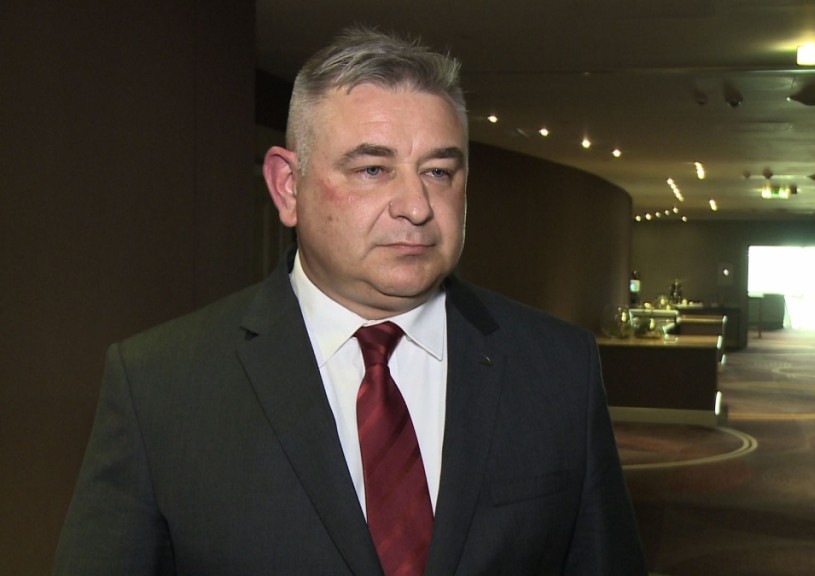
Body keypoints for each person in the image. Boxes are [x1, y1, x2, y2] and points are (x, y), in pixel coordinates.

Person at [53, 27, 647, 575]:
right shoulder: (160, 386)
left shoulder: (558, 367)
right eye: (372, 169)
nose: (416, 206)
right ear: (288, 187)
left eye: (439, 172)